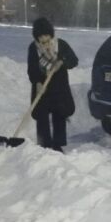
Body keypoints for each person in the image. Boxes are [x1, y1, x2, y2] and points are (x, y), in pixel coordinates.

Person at [27, 17, 78, 152]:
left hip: (59, 87)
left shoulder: (61, 45)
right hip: (42, 87)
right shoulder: (33, 48)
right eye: (41, 40)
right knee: (41, 116)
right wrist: (37, 82)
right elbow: (32, 68)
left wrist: (61, 62)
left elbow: (74, 60)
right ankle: (43, 145)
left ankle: (57, 145)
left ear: (51, 34)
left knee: (59, 115)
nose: (45, 42)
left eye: (47, 38)